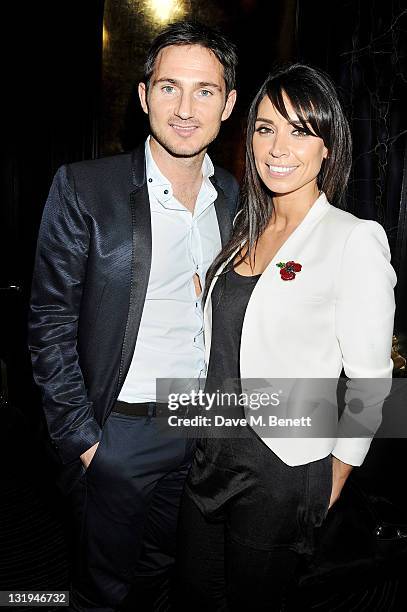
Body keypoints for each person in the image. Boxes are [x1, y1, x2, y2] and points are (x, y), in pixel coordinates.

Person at [28, 20, 237, 612]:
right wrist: (84, 441)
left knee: (170, 579)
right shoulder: (84, 188)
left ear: (228, 104)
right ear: (144, 96)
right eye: (169, 88)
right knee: (104, 591)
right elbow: (48, 321)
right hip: (118, 431)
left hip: (204, 426)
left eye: (205, 91)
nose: (186, 108)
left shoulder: (243, 202)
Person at [176, 64, 396, 611]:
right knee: (193, 594)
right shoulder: (243, 229)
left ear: (328, 147)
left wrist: (336, 473)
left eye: (300, 131)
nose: (278, 146)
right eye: (266, 127)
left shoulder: (353, 238)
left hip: (281, 466)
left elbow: (372, 378)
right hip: (210, 450)